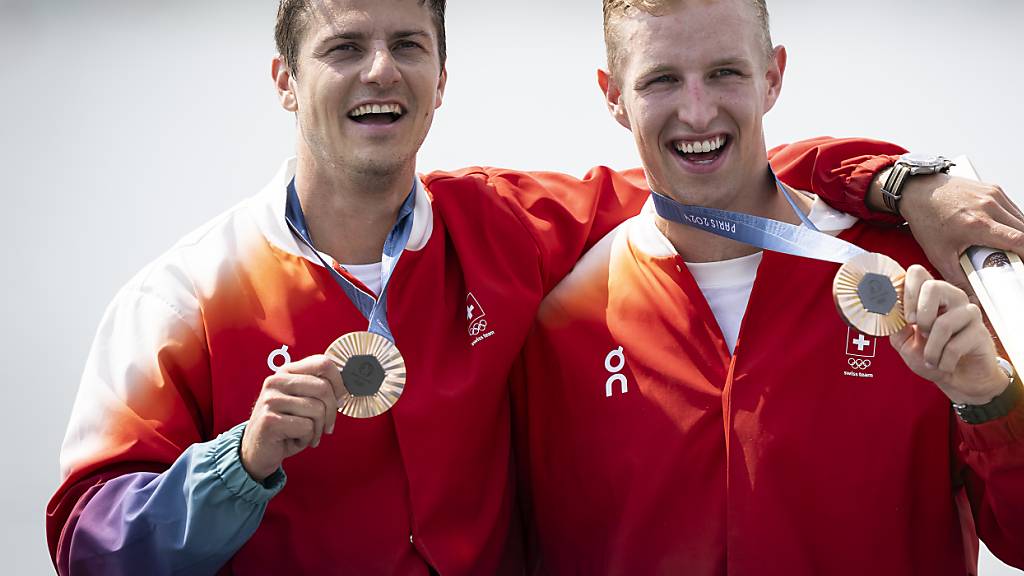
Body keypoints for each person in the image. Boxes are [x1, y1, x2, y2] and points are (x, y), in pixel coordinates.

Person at [45, 0, 1021, 574]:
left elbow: (706, 179)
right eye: (344, 46)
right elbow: (86, 542)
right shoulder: (179, 297)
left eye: (409, 45)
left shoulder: (508, 231)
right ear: (284, 80)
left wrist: (900, 181)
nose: (379, 69)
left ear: (440, 78)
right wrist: (238, 468)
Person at [514, 1, 1024, 574]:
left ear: (773, 76)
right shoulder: (561, 317)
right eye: (662, 79)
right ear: (612, 95)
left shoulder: (917, 278)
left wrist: (988, 398)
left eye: (724, 72)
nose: (698, 111)